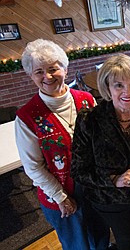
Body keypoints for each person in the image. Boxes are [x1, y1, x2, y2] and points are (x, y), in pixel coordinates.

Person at [71, 53, 130, 250]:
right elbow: (79, 170)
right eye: (119, 85)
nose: (128, 91)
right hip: (110, 199)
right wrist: (114, 179)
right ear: (107, 87)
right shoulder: (90, 120)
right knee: (126, 243)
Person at [15, 39, 97, 249]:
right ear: (31, 76)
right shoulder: (27, 117)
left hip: (94, 188)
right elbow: (33, 167)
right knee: (76, 244)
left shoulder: (87, 100)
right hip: (61, 193)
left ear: (65, 69)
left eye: (53, 69)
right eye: (39, 72)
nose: (47, 77)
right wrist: (60, 197)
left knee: (99, 237)